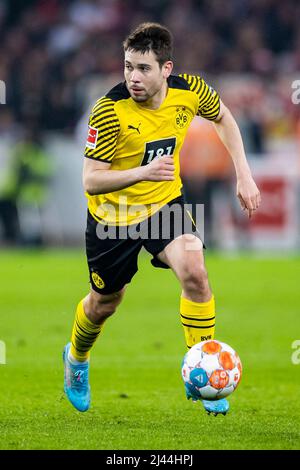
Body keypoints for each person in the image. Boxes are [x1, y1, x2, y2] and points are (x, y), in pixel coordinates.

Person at [63, 23, 261, 416]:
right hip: (112, 218)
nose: (133, 77)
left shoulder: (191, 91)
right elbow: (91, 178)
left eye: (143, 69)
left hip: (162, 206)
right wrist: (142, 172)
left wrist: (244, 172)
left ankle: (199, 371)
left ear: (166, 68)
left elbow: (224, 118)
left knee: (195, 272)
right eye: (128, 67)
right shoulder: (109, 111)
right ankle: (77, 359)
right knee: (105, 302)